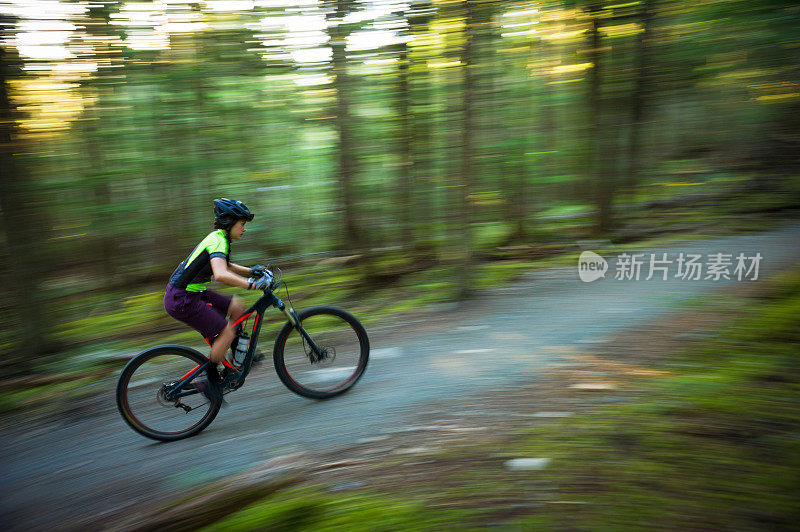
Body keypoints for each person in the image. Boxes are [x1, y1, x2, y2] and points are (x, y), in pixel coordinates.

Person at [163, 198, 271, 402]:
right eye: (242, 224)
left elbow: (226, 265)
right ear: (230, 223)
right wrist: (252, 284)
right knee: (227, 331)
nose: (244, 229)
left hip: (191, 293)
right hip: (181, 299)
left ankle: (235, 358)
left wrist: (253, 271)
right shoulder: (218, 239)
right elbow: (221, 274)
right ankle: (210, 381)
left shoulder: (220, 238)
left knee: (237, 307)